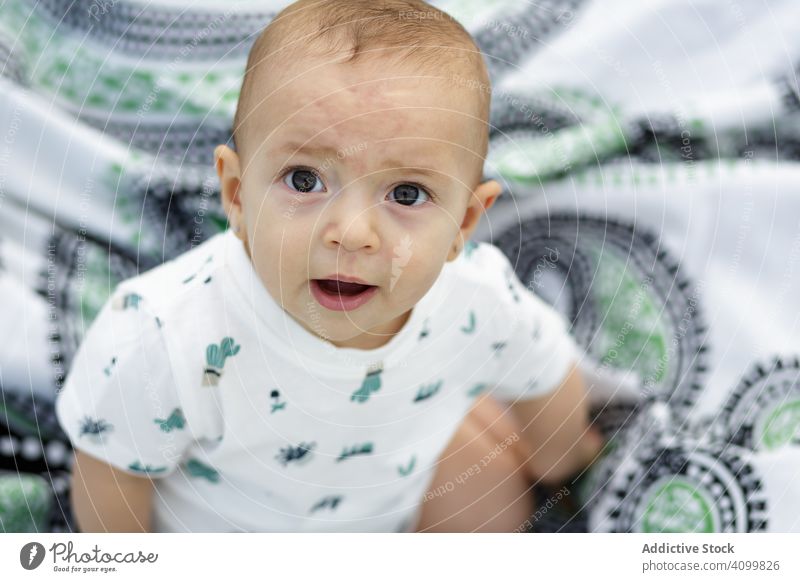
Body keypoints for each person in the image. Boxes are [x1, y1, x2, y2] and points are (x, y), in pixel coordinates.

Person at [56, 0, 604, 533]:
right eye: (303, 181)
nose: (353, 233)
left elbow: (546, 373)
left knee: (485, 479)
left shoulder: (477, 300)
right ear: (237, 195)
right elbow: (111, 476)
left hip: (397, 496)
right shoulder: (165, 333)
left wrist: (561, 457)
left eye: (408, 193)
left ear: (463, 223)